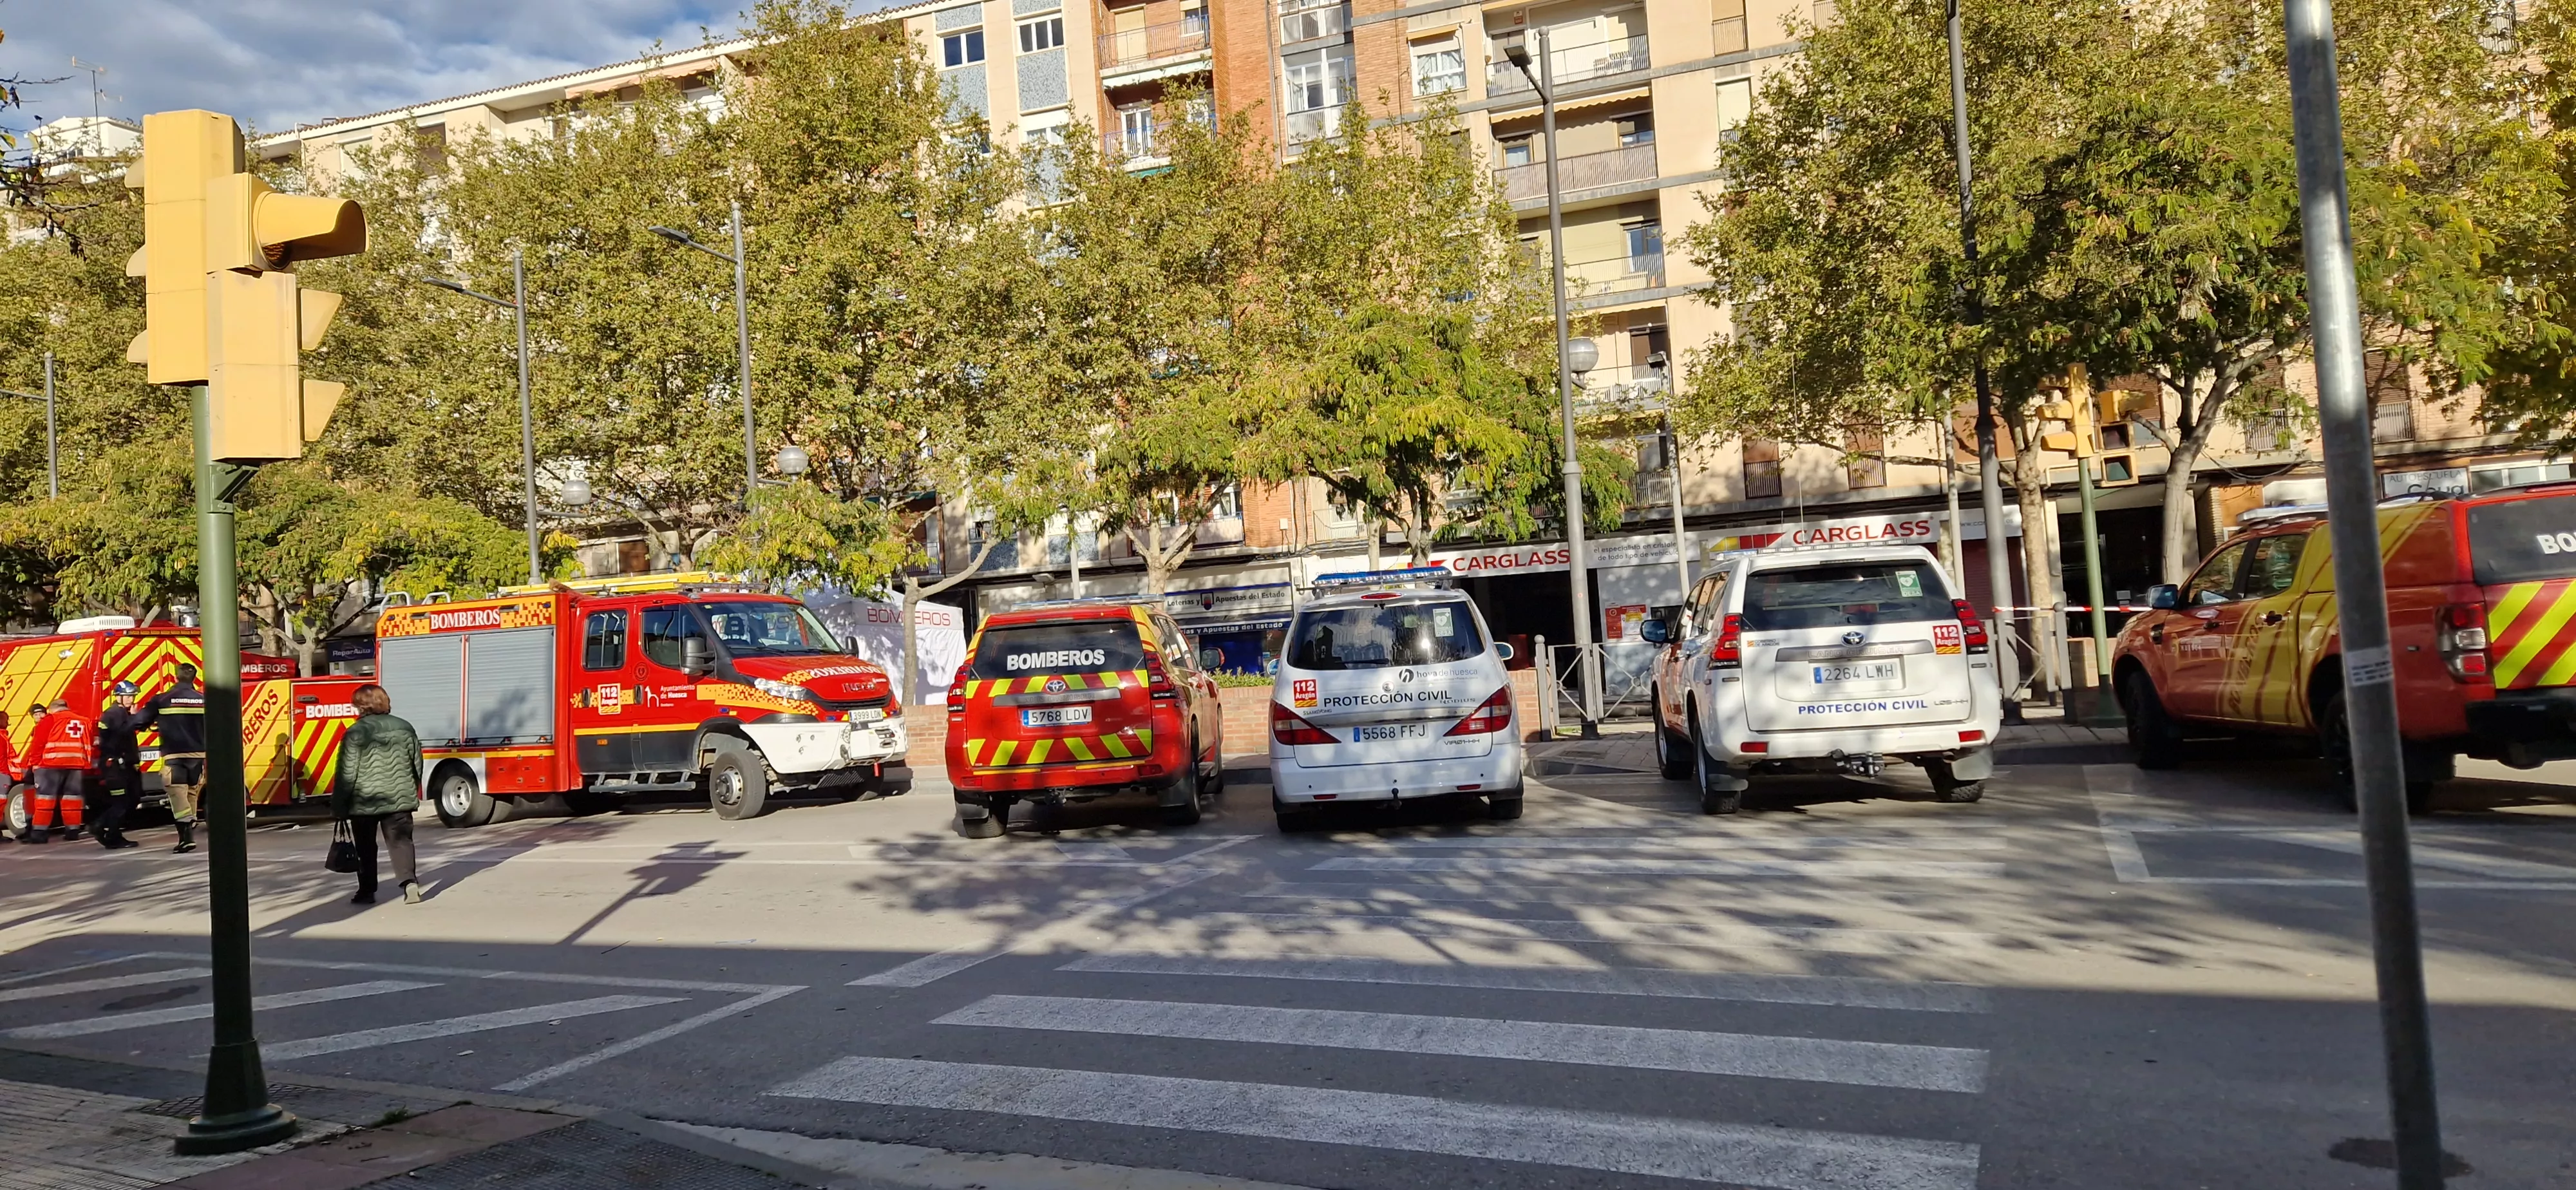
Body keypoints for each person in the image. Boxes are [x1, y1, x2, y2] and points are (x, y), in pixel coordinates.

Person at [331, 683, 424, 905]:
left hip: (364, 800)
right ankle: (410, 884)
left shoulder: (355, 733)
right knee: (401, 842)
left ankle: (366, 891)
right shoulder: (405, 727)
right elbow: (417, 764)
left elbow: (347, 773)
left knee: (365, 846)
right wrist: (411, 787)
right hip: (399, 799)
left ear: (361, 706)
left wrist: (339, 806)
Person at [140, 665, 206, 854]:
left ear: (176, 677)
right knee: (191, 792)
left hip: (175, 754)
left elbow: (140, 721)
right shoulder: (203, 700)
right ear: (194, 678)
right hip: (198, 755)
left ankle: (186, 836)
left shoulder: (162, 699)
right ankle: (190, 825)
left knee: (177, 793)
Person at [23, 698, 93, 844]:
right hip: (76, 765)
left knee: (45, 799)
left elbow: (38, 744)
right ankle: (72, 831)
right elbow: (89, 742)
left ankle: (39, 834)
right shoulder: (84, 721)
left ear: (52, 709)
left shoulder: (50, 720)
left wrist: (36, 764)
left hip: (51, 765)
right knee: (72, 799)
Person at [91, 681, 146, 850]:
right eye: (129, 696)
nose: (131, 699)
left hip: (124, 765)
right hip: (115, 766)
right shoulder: (114, 714)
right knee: (122, 801)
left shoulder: (121, 713)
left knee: (132, 798)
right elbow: (121, 732)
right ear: (119, 697)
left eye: (133, 696)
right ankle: (110, 833)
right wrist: (135, 718)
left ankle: (104, 827)